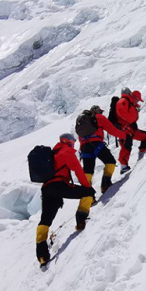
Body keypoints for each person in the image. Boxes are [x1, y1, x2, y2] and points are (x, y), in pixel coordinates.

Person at [35, 133, 96, 266]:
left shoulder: (52, 153)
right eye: (73, 141)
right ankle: (81, 219)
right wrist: (89, 189)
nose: (74, 144)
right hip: (59, 185)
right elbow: (78, 170)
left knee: (45, 220)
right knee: (87, 193)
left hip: (46, 189)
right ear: (68, 142)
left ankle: (42, 256)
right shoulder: (66, 151)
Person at [79, 105, 127, 194]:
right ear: (97, 111)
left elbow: (80, 138)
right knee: (110, 162)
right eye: (100, 111)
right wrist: (125, 136)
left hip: (84, 148)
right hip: (96, 144)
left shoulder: (83, 122)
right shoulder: (99, 118)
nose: (101, 113)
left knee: (88, 171)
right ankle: (105, 185)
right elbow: (112, 130)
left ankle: (87, 196)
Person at [115, 88, 146, 173]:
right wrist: (131, 121)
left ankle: (142, 153)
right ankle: (123, 166)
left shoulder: (130, 103)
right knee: (126, 145)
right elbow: (122, 111)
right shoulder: (123, 101)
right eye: (137, 99)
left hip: (130, 129)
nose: (138, 101)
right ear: (133, 97)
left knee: (145, 137)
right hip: (125, 130)